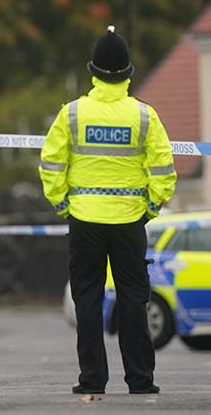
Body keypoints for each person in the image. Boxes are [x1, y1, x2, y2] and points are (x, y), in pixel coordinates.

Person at [39, 26, 176, 395]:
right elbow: (163, 167)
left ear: (93, 72)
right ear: (128, 73)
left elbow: (51, 163)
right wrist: (150, 207)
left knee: (88, 298)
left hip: (84, 220)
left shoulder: (71, 114)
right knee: (133, 299)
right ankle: (140, 379)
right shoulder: (144, 116)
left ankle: (92, 379)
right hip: (130, 221)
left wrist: (63, 204)